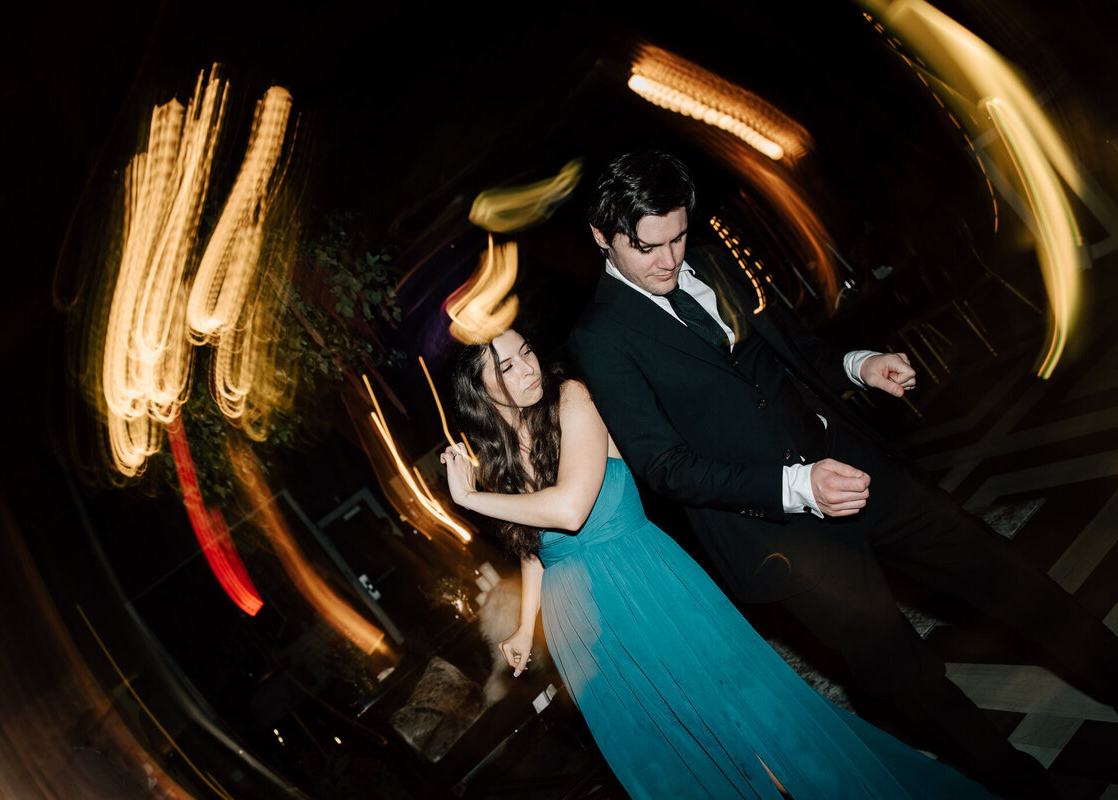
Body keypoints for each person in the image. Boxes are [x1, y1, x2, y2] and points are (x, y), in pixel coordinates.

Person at [567, 150, 1118, 799]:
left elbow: (795, 353)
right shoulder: (601, 338)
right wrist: (799, 487)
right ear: (604, 237)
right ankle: (1027, 789)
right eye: (648, 246)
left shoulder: (710, 259)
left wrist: (860, 365)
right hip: (781, 534)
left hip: (854, 463)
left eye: (679, 236)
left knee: (1005, 576)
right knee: (903, 672)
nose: (669, 260)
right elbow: (665, 468)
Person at [441, 328, 994, 799]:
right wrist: (523, 623)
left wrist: (469, 499)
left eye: (526, 353)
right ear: (479, 390)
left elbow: (568, 507)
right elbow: (536, 545)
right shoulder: (500, 457)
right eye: (506, 367)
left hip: (649, 590)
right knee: (670, 754)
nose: (527, 369)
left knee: (753, 725)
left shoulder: (573, 400)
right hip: (584, 630)